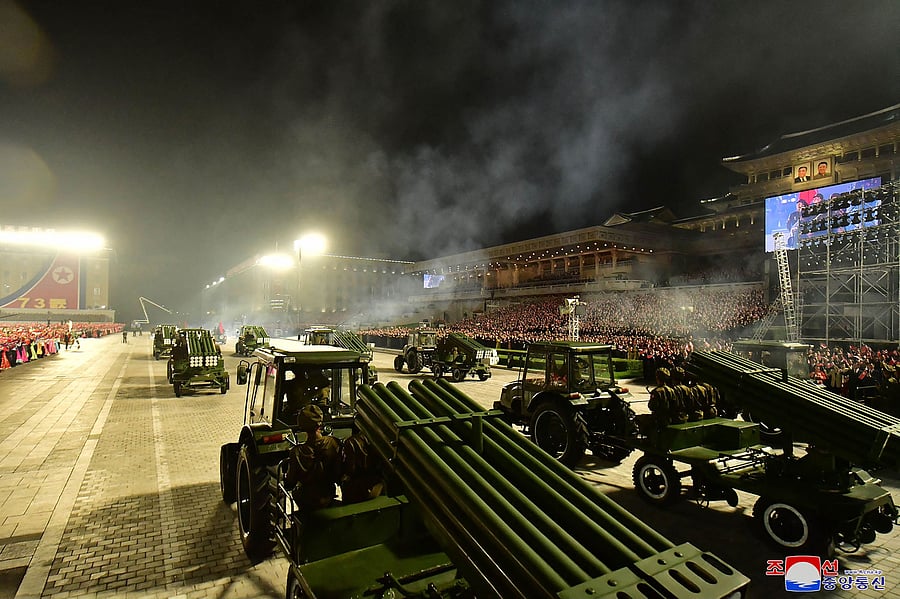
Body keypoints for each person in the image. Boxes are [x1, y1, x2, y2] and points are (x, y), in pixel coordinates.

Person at [284, 405, 342, 510]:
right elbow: (339, 474)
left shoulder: (296, 452)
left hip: (306, 500)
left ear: (301, 425)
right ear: (320, 423)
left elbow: (290, 482)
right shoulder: (333, 443)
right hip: (328, 495)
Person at [340, 417, 384, 504]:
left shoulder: (351, 442)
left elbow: (350, 470)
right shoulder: (381, 440)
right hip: (377, 486)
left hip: (358, 491)